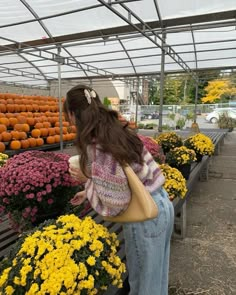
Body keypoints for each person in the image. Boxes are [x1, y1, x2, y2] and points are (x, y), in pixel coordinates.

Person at [64, 85, 174, 295]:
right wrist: (89, 190)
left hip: (144, 218)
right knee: (157, 280)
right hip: (161, 203)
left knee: (144, 286)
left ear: (72, 114)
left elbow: (116, 204)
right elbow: (127, 178)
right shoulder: (116, 130)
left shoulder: (98, 145)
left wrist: (87, 180)